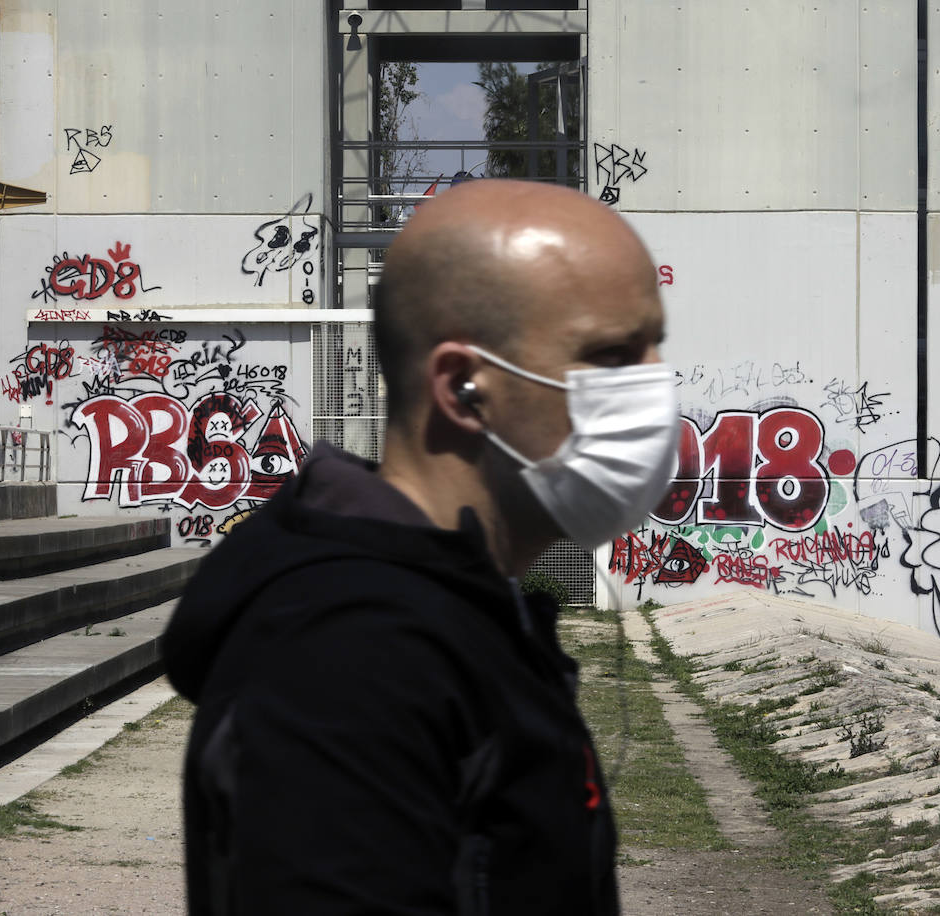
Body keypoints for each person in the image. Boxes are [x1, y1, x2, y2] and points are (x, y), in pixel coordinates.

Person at [164, 179, 679, 915]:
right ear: (464, 385)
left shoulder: (454, 608)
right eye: (613, 355)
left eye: (657, 346)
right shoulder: (349, 653)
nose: (656, 387)